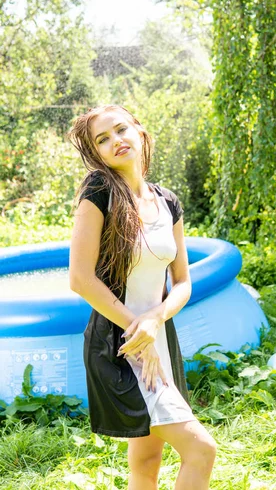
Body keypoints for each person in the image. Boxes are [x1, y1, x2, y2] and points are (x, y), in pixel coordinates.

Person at [67, 104, 216, 490]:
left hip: (157, 339)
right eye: (103, 139)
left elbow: (182, 282)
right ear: (96, 153)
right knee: (201, 450)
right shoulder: (99, 193)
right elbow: (80, 280)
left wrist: (154, 320)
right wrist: (140, 329)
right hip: (122, 344)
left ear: (139, 130)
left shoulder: (167, 202)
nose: (115, 141)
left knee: (148, 461)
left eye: (120, 130)